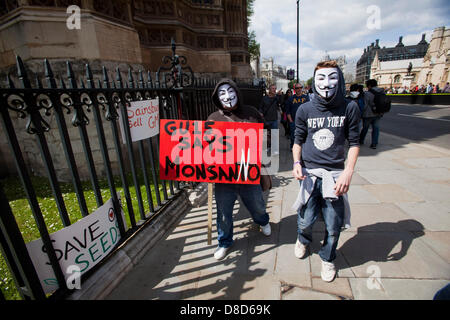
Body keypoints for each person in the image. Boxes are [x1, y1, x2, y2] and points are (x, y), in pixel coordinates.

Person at [292, 60, 360, 282]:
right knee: (306, 219)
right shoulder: (305, 109)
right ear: (314, 82)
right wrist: (296, 163)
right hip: (310, 175)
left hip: (335, 177)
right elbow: (298, 140)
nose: (326, 83)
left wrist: (348, 171)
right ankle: (303, 239)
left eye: (332, 77)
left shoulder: (349, 107)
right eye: (321, 78)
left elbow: (355, 142)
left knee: (333, 225)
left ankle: (328, 258)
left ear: (339, 80)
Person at [208, 79, 271, 260]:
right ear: (217, 98)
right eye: (222, 93)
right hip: (224, 177)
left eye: (230, 91)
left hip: (249, 172)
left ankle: (263, 221)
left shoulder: (251, 113)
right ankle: (224, 241)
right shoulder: (213, 119)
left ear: (237, 92)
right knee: (223, 212)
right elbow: (205, 147)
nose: (227, 97)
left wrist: (257, 142)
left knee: (257, 205)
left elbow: (267, 135)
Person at [359, 79, 384, 149]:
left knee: (365, 128)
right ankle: (374, 144)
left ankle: (361, 140)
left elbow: (365, 105)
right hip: (378, 113)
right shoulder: (382, 91)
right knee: (376, 129)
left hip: (368, 114)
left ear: (369, 85)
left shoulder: (367, 93)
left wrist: (361, 113)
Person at [286, 83, 309, 149]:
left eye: (300, 87)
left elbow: (308, 109)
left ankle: (302, 147)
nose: (299, 89)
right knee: (293, 136)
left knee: (304, 135)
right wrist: (291, 121)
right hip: (294, 121)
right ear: (294, 89)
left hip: (304, 121)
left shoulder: (306, 98)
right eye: (297, 88)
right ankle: (293, 147)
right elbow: (288, 111)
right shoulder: (290, 99)